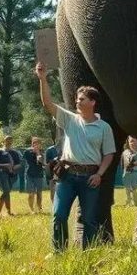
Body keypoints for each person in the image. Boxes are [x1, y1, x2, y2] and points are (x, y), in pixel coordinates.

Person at [35, 62, 116, 250]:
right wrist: (43, 78)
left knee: (89, 220)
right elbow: (47, 103)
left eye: (81, 99)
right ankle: (59, 254)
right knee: (59, 215)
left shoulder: (104, 127)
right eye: (77, 99)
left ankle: (87, 256)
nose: (77, 102)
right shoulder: (70, 119)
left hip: (91, 178)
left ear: (93, 102)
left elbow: (109, 154)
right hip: (67, 176)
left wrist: (100, 175)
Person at [0, 135, 22, 217]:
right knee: (6, 191)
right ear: (3, 141)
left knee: (7, 192)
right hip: (2, 174)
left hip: (12, 174)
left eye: (10, 140)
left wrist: (13, 167)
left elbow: (19, 164)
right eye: (7, 140)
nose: (9, 142)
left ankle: (8, 212)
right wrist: (6, 165)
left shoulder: (15, 153)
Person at [23, 137, 48, 214]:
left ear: (40, 145)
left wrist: (38, 153)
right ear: (32, 144)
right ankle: (32, 210)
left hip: (39, 175)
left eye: (38, 143)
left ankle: (39, 208)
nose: (36, 145)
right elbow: (24, 160)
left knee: (39, 193)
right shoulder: (27, 151)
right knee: (31, 193)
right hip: (29, 175)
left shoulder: (42, 152)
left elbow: (42, 162)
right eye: (34, 143)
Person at [121, 137, 137, 206]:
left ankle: (135, 203)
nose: (133, 143)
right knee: (128, 189)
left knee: (134, 189)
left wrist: (135, 163)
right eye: (131, 141)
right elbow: (126, 162)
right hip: (127, 173)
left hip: (135, 173)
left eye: (134, 141)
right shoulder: (126, 152)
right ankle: (129, 203)